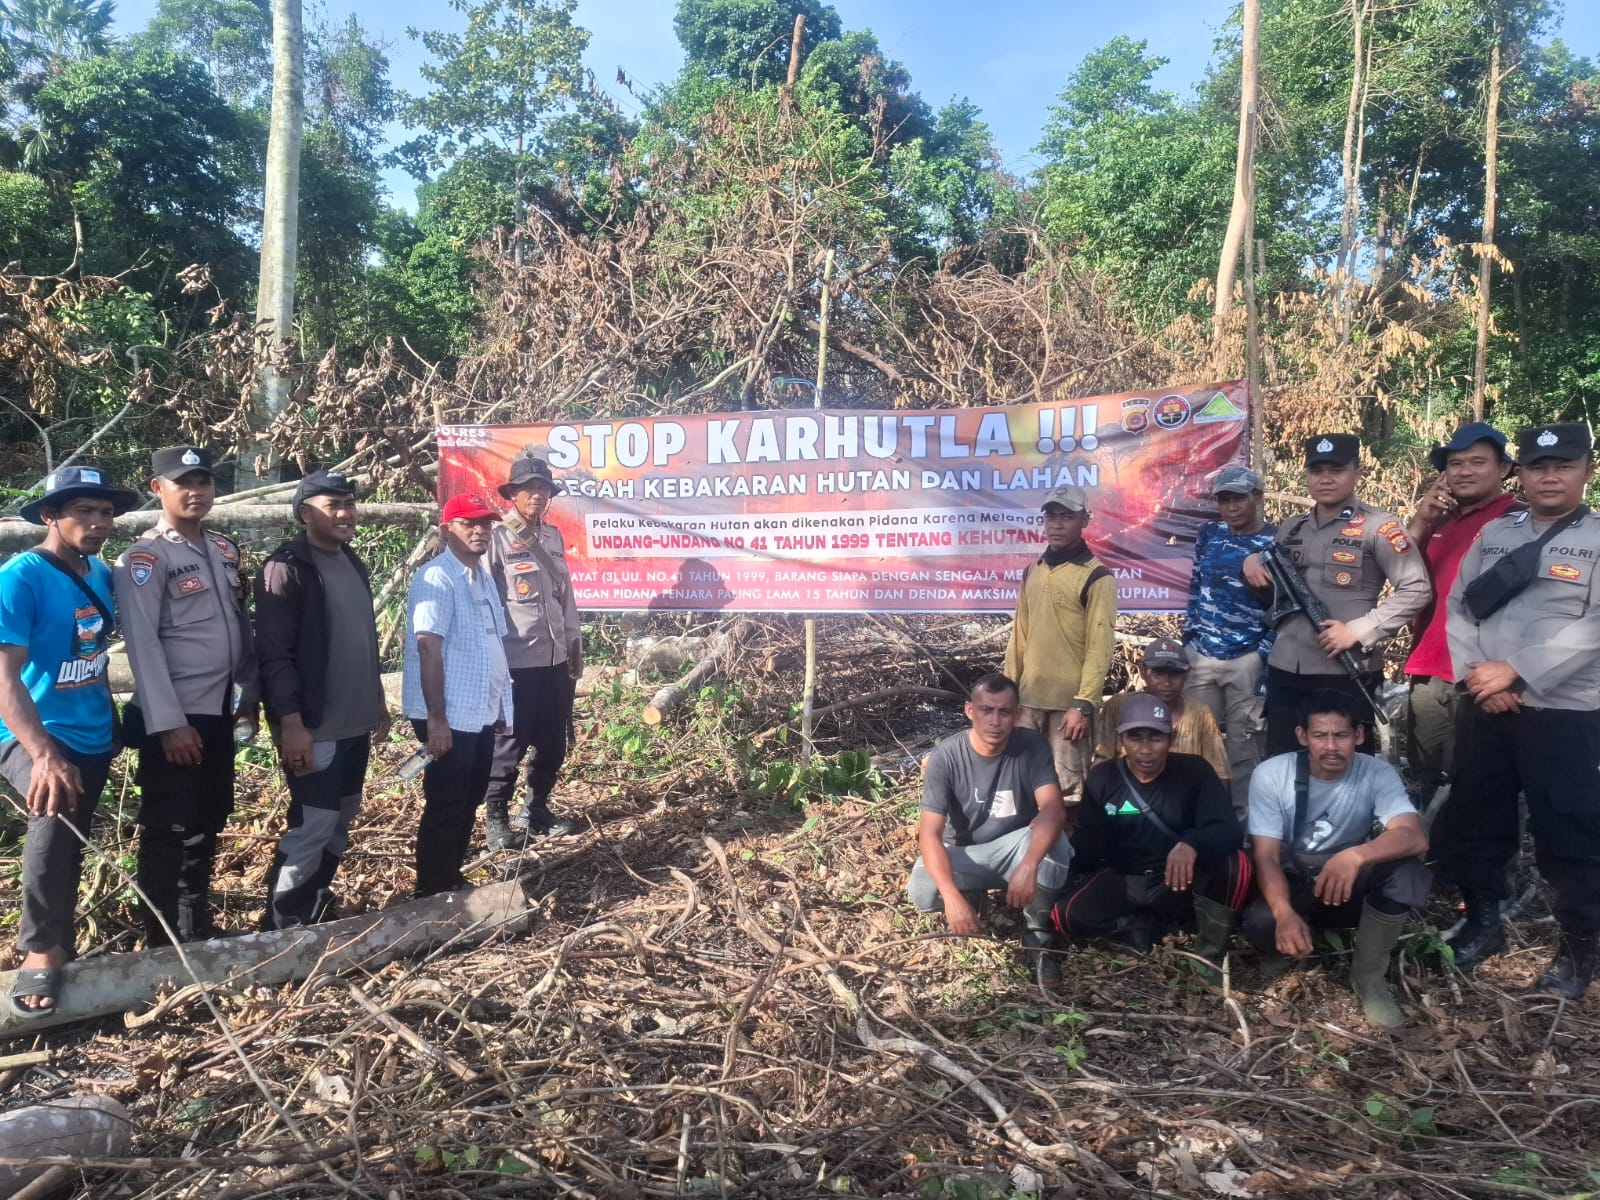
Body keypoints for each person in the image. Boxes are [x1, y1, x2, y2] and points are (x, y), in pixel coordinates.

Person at [1434, 423, 1600, 998]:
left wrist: (1519, 670)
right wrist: (1480, 675)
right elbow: (1459, 607)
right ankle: (1484, 924)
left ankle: (1577, 949)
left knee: (1570, 831)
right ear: (1520, 474)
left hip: (1563, 711)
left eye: (1563, 465)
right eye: (1537, 466)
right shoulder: (1496, 535)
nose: (1549, 476)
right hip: (1487, 704)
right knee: (1475, 821)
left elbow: (1595, 627)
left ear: (1586, 470)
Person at [0, 465, 137, 1015]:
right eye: (83, 510)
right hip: (32, 730)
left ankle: (62, 939)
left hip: (91, 730)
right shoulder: (21, 576)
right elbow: (5, 676)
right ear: (51, 516)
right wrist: (42, 755)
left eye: (105, 512)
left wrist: (110, 717)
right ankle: (40, 952)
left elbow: (94, 654)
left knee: (73, 836)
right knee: (54, 819)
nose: (98, 521)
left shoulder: (100, 574)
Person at [113, 446, 257, 945]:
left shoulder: (221, 549)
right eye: (183, 483)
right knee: (167, 831)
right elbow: (142, 645)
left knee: (208, 822)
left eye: (204, 482)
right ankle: (159, 942)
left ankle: (195, 931)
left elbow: (238, 626)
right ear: (159, 489)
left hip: (218, 710)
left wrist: (246, 698)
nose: (196, 492)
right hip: (176, 717)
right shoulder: (144, 558)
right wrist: (169, 722)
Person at [1243, 691, 1431, 1029]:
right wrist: (1284, 913)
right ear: (1302, 736)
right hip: (1295, 881)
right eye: (1320, 735)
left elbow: (1413, 837)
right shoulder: (1272, 774)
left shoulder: (1375, 773)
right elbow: (1266, 856)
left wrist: (1356, 855)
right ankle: (1289, 942)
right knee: (1263, 923)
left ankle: (1369, 977)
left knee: (1407, 874)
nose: (1331, 746)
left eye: (1341, 735)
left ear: (1358, 735)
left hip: (1347, 883)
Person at [256, 469, 388, 930]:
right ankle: (280, 924)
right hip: (314, 727)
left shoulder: (352, 561)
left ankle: (313, 903)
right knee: (312, 824)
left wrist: (378, 700)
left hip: (355, 723)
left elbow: (362, 640)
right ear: (304, 512)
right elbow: (274, 654)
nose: (345, 513)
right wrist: (291, 723)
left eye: (349, 504)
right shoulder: (286, 567)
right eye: (333, 505)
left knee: (341, 819)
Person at [1243, 434, 1431, 756]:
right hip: (1286, 667)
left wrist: (1359, 631)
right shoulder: (1291, 527)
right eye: (1317, 471)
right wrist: (1251, 562)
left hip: (1345, 670)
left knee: (1346, 767)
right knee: (1285, 762)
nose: (1326, 479)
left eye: (1336, 470)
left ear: (1357, 473)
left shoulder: (1380, 527)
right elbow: (1271, 580)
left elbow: (1417, 589)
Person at [1057, 693, 1249, 979]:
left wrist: (1191, 842)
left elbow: (1228, 830)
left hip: (1182, 881)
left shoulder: (1195, 771)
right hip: (1127, 880)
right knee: (1065, 915)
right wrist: (1064, 833)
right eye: (1135, 737)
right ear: (1121, 739)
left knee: (1238, 866)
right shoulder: (1103, 778)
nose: (1145, 749)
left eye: (1155, 738)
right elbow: (1091, 848)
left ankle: (1210, 945)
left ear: (1171, 739)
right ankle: (1143, 928)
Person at [907, 673, 1074, 984]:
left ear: (1018, 713)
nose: (994, 721)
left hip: (1014, 848)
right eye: (986, 710)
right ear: (970, 710)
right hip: (965, 853)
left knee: (1055, 843)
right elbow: (929, 833)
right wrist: (951, 896)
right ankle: (969, 895)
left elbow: (1053, 808)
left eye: (1004, 711)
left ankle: (1037, 933)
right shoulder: (947, 757)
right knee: (922, 892)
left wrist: (1028, 864)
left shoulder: (1031, 746)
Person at [401, 493, 514, 897]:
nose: (480, 530)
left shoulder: (482, 577)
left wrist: (501, 705)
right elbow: (428, 646)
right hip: (448, 714)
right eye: (470, 523)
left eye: (485, 523)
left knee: (469, 799)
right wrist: (436, 720)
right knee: (446, 803)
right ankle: (430, 890)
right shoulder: (436, 577)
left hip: (479, 710)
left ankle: (451, 877)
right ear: (449, 529)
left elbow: (492, 645)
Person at [1400, 423, 1517, 807]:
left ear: (1503, 469)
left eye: (1477, 462)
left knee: (1482, 781)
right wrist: (1421, 518)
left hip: (1482, 675)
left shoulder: (1519, 521)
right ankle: (1431, 858)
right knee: (1429, 775)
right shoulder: (1440, 521)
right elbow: (1395, 570)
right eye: (1455, 463)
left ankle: (1491, 863)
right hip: (1429, 667)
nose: (1464, 471)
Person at [482, 455, 583, 846]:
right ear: (514, 494)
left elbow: (566, 598)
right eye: (529, 489)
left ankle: (536, 808)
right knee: (510, 740)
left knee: (553, 738)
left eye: (543, 489)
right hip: (516, 661)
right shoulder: (496, 538)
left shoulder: (553, 537)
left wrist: (574, 645)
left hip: (556, 658)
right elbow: (487, 601)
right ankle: (497, 817)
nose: (537, 496)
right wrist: (493, 660)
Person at [1003, 485, 1117, 804]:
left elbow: (1100, 646)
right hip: (1027, 705)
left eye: (1066, 516)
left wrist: (1083, 704)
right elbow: (1019, 638)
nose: (1056, 524)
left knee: (1068, 792)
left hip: (1069, 710)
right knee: (1022, 786)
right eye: (1050, 516)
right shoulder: (1032, 572)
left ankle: (1067, 855)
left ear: (1085, 520)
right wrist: (1009, 696)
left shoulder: (1097, 577)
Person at [1183, 465, 1276, 816]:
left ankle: (1247, 838)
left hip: (1247, 661)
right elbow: (1196, 587)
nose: (1231, 507)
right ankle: (1196, 824)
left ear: (1258, 498)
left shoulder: (1277, 541)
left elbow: (1286, 608)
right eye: (1224, 499)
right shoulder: (1209, 534)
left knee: (1245, 751)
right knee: (1194, 748)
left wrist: (1261, 655)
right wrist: (1189, 640)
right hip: (1202, 657)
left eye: (1238, 498)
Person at [1093, 637, 1231, 792]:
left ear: (1186, 674)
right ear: (1143, 671)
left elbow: (1220, 774)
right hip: (1127, 798)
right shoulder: (1118, 706)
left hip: (1185, 801)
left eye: (1175, 674)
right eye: (1158, 673)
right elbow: (1102, 761)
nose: (1166, 682)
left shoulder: (1200, 714)